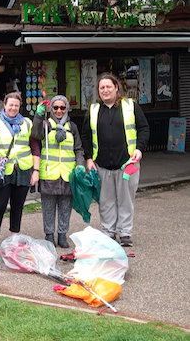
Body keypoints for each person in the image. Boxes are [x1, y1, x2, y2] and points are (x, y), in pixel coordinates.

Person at [81, 73, 150, 247]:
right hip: (102, 164)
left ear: (116, 88)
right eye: (101, 87)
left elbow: (144, 128)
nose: (105, 90)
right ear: (98, 91)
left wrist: (139, 149)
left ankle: (125, 234)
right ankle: (108, 232)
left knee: (126, 200)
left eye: (108, 86)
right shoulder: (93, 110)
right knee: (106, 201)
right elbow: (86, 136)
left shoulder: (130, 106)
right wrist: (89, 158)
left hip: (127, 164)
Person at [0, 92, 40, 253]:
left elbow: (35, 147)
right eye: (10, 105)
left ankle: (14, 237)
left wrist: (36, 171)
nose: (13, 108)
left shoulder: (27, 123)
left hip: (22, 169)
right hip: (1, 170)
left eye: (16, 105)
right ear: (5, 105)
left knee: (18, 206)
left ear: (19, 106)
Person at [31, 95, 85, 248]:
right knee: (48, 207)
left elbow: (78, 148)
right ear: (51, 109)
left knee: (65, 207)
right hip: (49, 172)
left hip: (68, 174)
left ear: (67, 108)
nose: (59, 110)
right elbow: (35, 134)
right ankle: (49, 235)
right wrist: (38, 115)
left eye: (62, 107)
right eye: (55, 107)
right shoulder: (45, 124)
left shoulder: (72, 127)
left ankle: (62, 235)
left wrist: (80, 165)